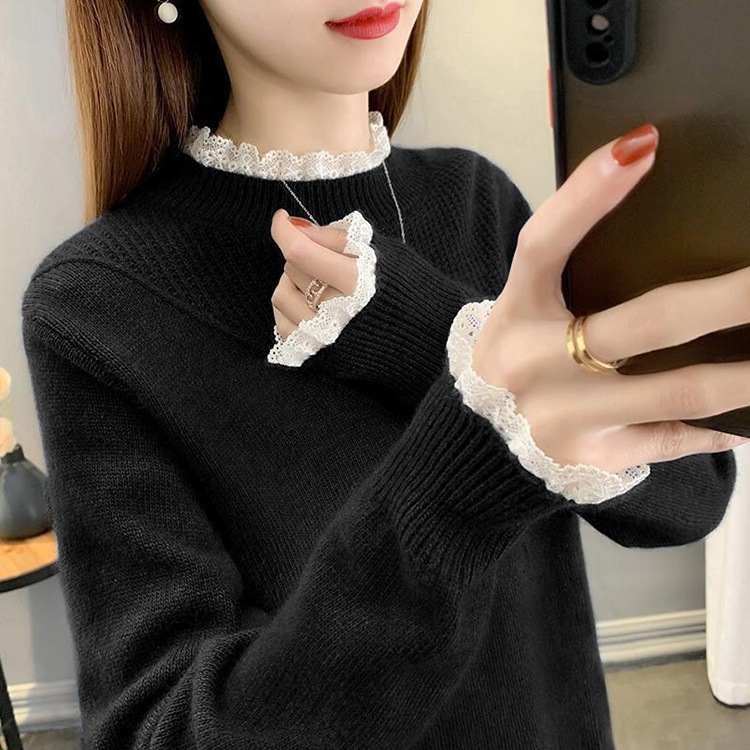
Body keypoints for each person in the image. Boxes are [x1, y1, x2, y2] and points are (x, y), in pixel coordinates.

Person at [20, 0, 750, 747]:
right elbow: (162, 731)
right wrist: (467, 467)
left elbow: (689, 501)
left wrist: (433, 333)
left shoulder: (478, 199)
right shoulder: (96, 306)